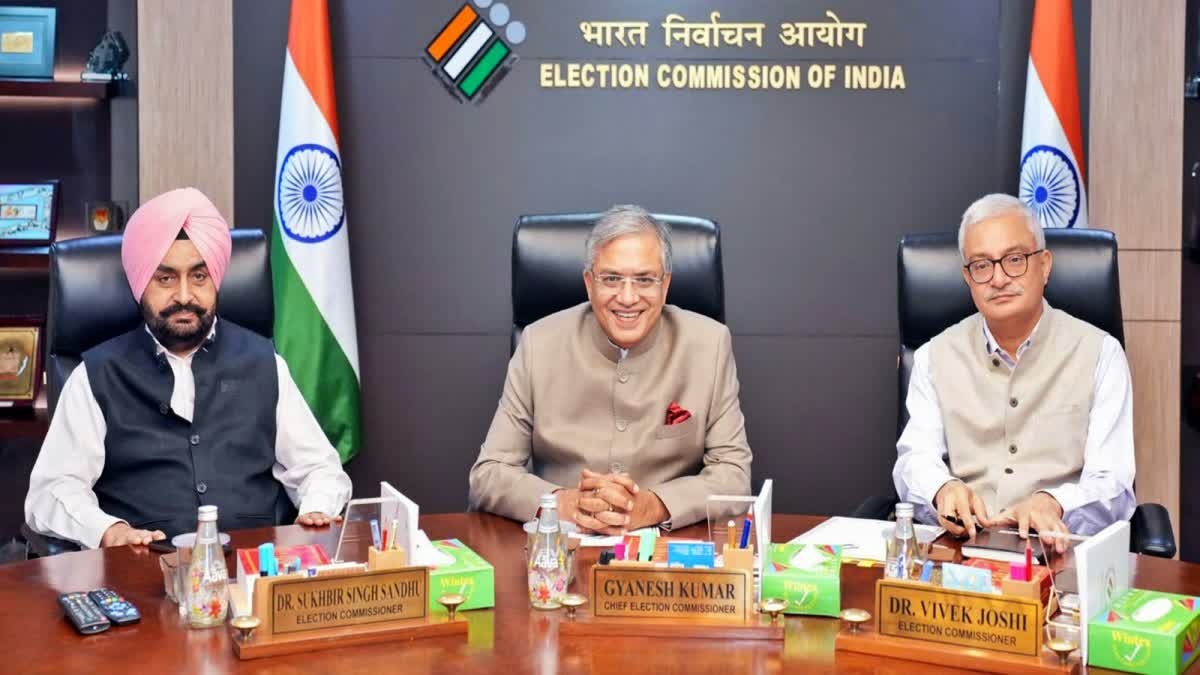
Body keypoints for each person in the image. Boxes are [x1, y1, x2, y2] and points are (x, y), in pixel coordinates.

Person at [25, 187, 351, 549]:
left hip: (251, 569)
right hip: (142, 572)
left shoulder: (264, 364)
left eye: (199, 277)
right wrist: (109, 531)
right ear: (140, 284)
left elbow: (319, 469)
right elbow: (51, 491)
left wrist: (316, 508)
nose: (184, 296)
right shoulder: (95, 375)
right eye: (165, 279)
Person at [469, 205, 752, 533]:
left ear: (665, 285)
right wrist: (563, 503)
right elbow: (488, 474)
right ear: (589, 283)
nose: (627, 297)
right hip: (562, 544)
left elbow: (733, 475)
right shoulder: (538, 343)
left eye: (644, 279)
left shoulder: (709, 344)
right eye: (612, 279)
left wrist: (653, 505)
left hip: (665, 546)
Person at [893, 193, 1135, 548]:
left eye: (1015, 260)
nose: (999, 278)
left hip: (1058, 551)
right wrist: (942, 489)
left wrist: (1055, 503)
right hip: (961, 552)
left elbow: (1113, 482)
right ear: (967, 277)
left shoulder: (1101, 353)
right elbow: (914, 459)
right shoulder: (932, 356)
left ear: (1045, 265)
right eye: (981, 265)